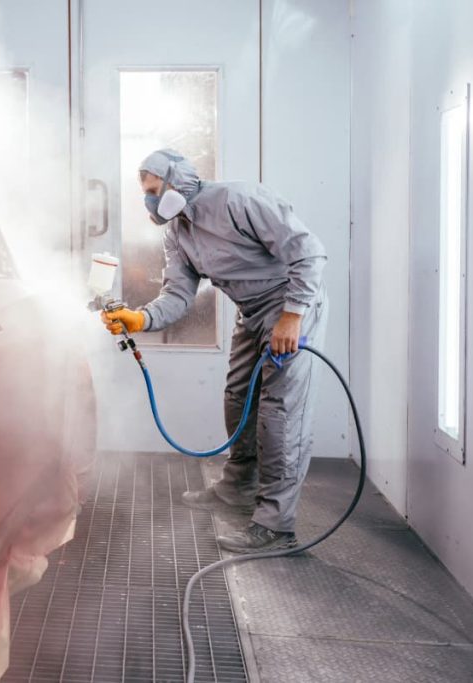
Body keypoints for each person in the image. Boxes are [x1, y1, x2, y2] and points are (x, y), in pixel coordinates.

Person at [100, 149, 328, 553]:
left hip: (291, 304)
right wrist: (140, 319)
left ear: (177, 180)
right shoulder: (177, 234)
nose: (150, 201)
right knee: (238, 397)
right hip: (251, 310)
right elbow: (178, 294)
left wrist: (292, 316)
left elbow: (308, 252)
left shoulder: (239, 200)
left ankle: (276, 526)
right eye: (145, 194)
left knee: (280, 413)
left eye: (154, 190)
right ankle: (239, 486)